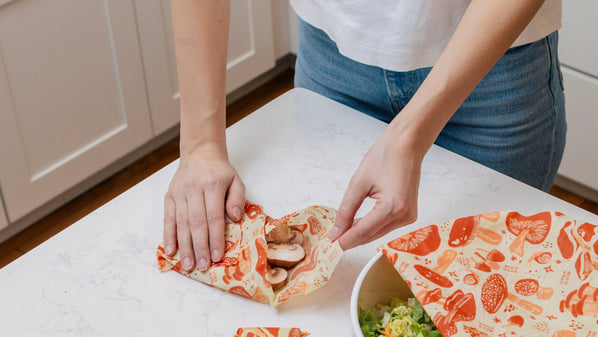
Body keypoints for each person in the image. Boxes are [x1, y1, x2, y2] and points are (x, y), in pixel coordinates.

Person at [163, 0, 565, 272]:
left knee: (481, 287)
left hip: (488, 73)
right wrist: (201, 145)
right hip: (331, 59)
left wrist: (409, 138)